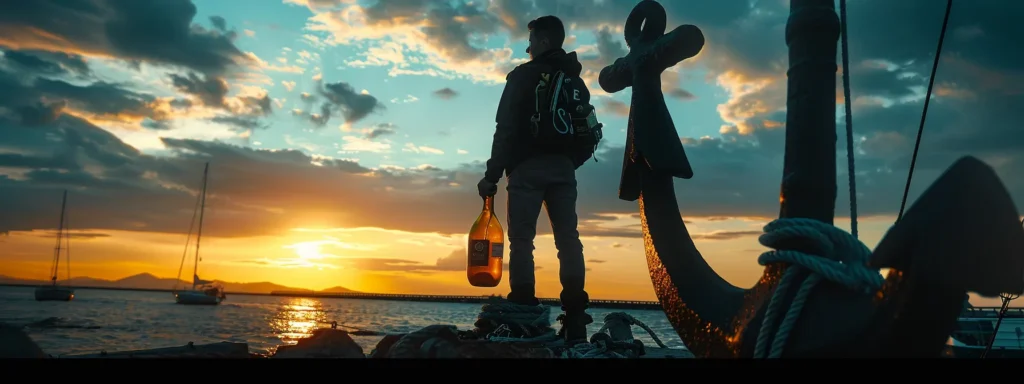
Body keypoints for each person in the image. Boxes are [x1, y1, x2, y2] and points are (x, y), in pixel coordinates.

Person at [476, 15, 596, 345]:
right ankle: (575, 321)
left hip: (526, 170)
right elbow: (589, 131)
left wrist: (491, 176)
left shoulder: (522, 76)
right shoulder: (575, 82)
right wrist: (569, 162)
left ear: (543, 41)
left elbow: (506, 129)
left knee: (522, 241)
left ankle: (525, 310)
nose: (527, 47)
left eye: (530, 41)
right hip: (563, 170)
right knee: (568, 240)